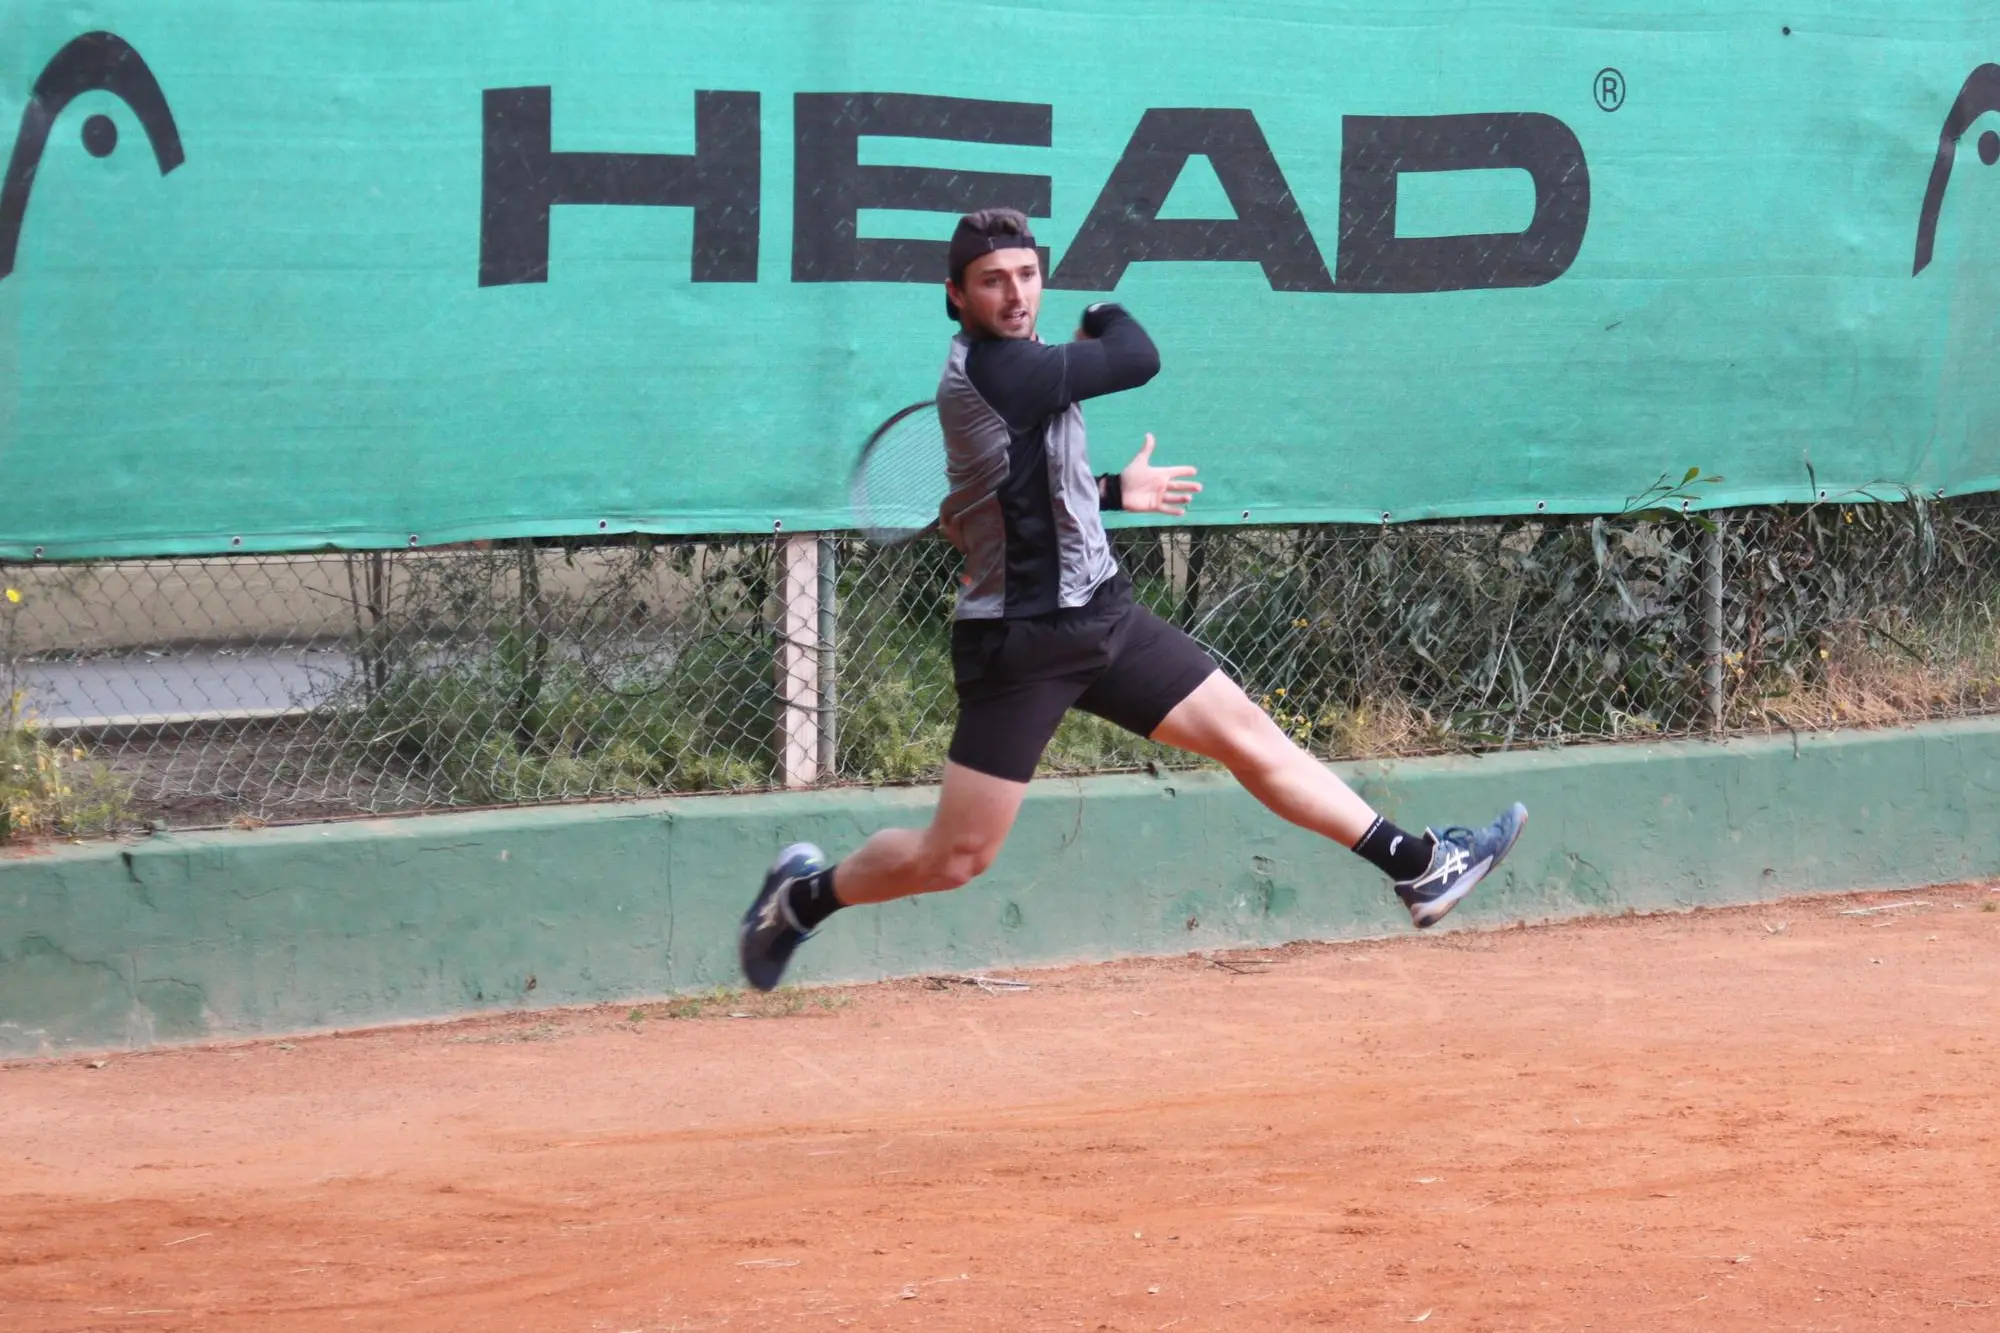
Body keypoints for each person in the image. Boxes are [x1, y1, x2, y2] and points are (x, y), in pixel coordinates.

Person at [739, 207, 1526, 990]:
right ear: (955, 296)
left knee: (1250, 735)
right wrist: (1103, 313)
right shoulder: (998, 370)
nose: (1015, 294)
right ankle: (801, 898)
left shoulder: (1026, 361)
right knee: (956, 858)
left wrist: (1113, 488)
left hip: (1103, 613)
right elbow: (1136, 356)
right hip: (1021, 646)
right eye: (992, 282)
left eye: (1026, 274)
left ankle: (1419, 865)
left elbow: (1024, 490)